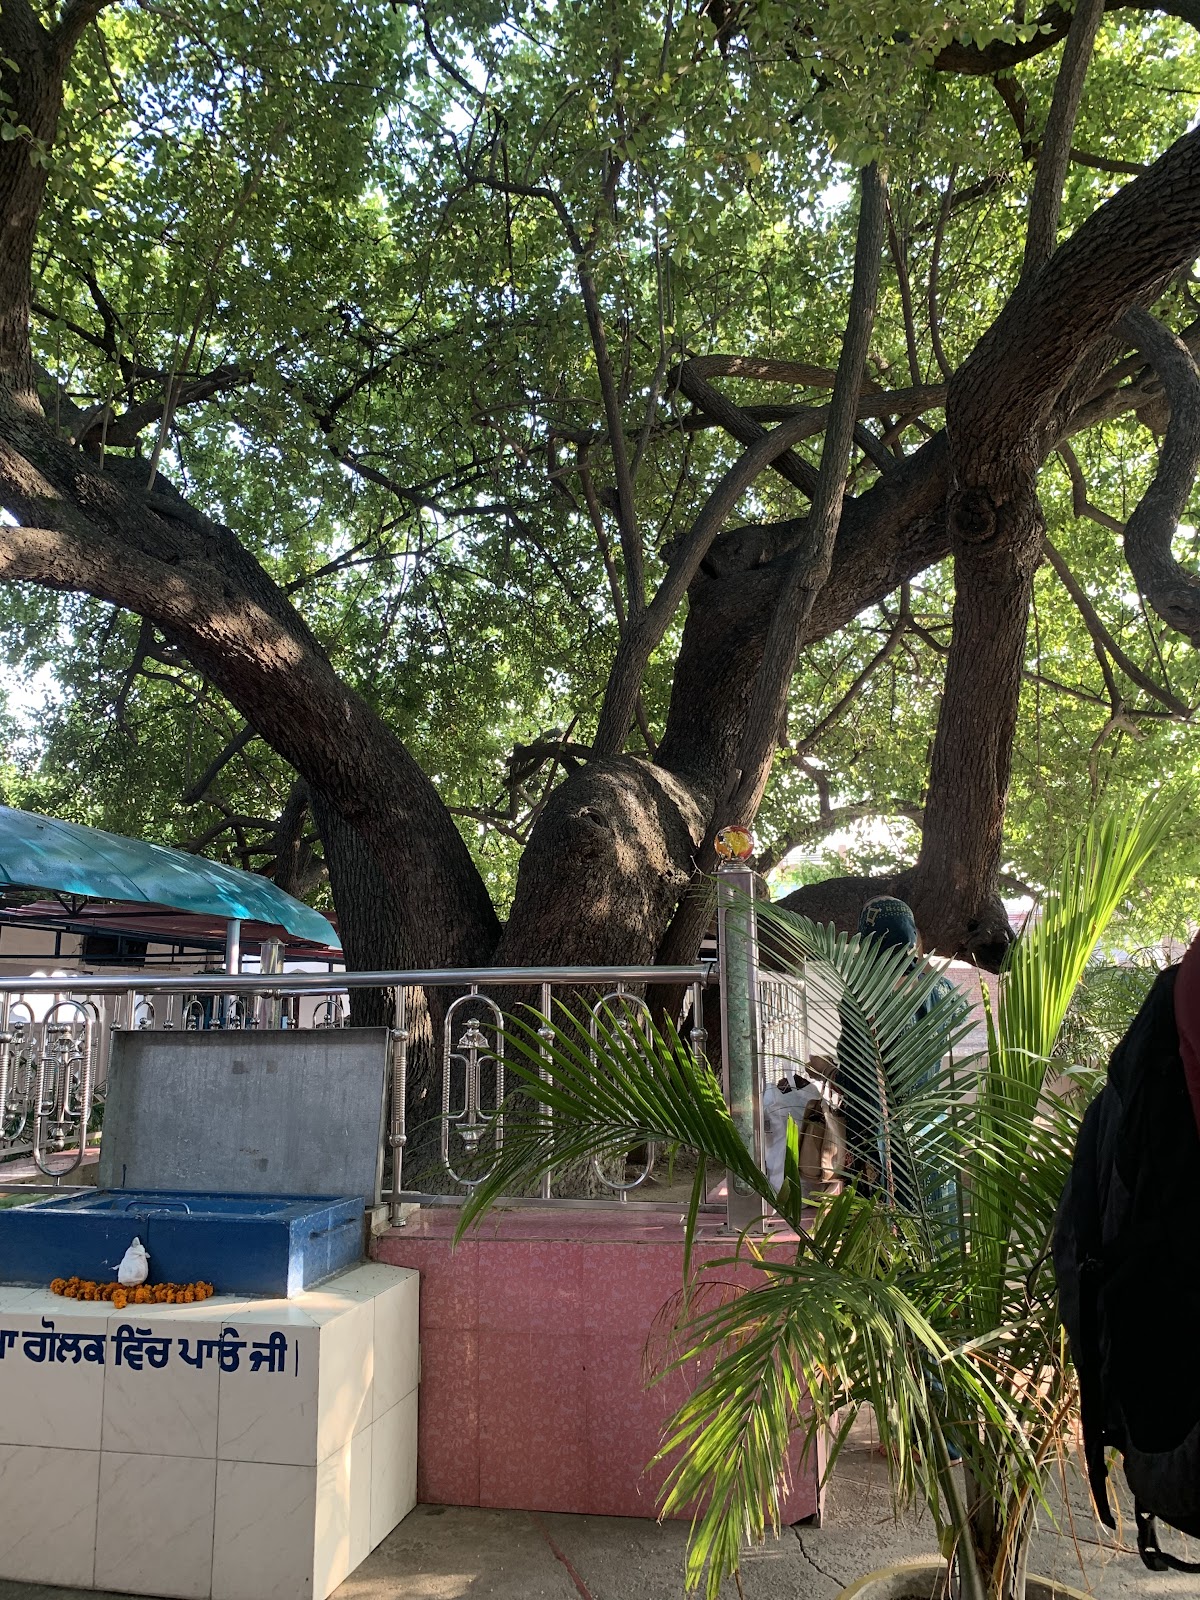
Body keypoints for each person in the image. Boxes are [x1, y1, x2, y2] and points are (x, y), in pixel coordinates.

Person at [836, 895, 961, 1211]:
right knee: (932, 1227)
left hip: (877, 1137)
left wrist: (827, 1071)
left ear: (867, 939)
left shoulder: (862, 999)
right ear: (911, 933)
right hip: (930, 1126)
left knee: (881, 1239)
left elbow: (857, 1078)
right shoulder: (942, 988)